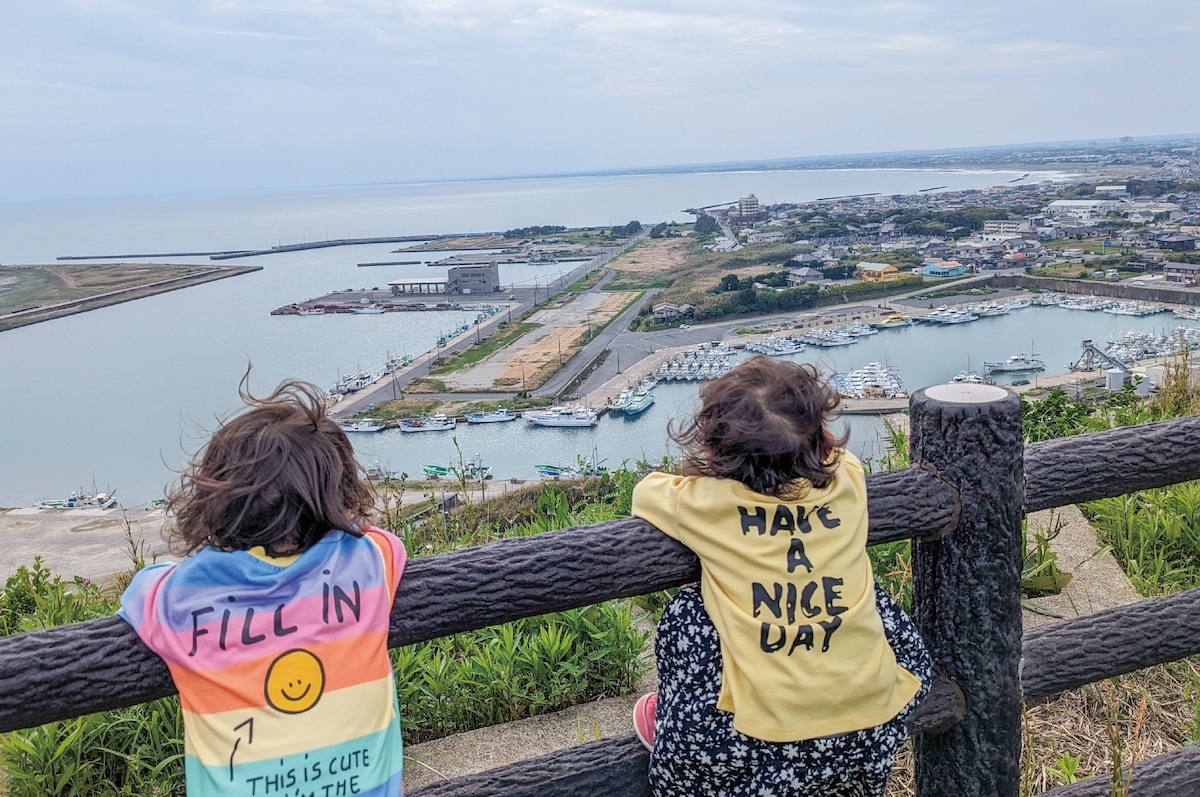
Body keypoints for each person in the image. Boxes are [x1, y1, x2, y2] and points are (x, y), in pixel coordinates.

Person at [630, 356, 930, 796]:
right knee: (868, 597)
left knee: (690, 612)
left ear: (713, 452)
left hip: (756, 736)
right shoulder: (846, 481)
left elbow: (644, 492)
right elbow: (842, 459)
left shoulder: (700, 504)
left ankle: (673, 721)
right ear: (823, 440)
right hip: (874, 719)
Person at [118, 379, 406, 796]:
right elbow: (381, 538)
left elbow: (141, 588)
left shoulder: (180, 597)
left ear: (217, 503)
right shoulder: (370, 561)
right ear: (335, 496)